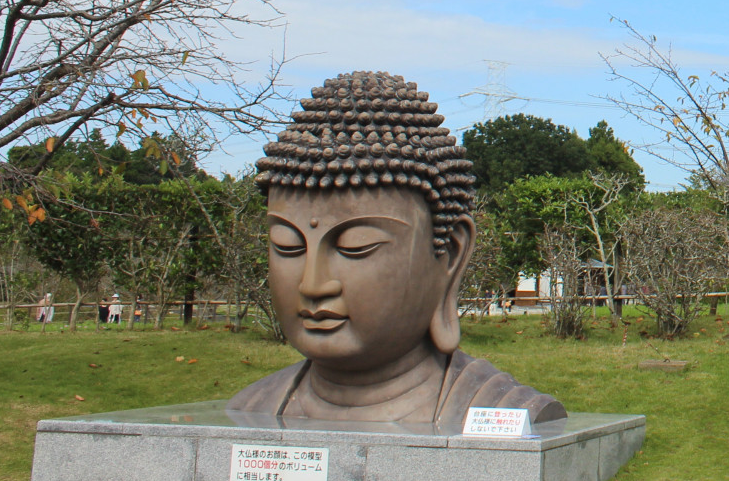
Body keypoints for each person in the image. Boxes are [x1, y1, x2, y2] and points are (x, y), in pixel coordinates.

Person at [227, 71, 565, 428]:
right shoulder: (252, 407)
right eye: (288, 245)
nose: (312, 285)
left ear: (449, 255)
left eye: (355, 246)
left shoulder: (503, 410)